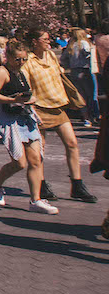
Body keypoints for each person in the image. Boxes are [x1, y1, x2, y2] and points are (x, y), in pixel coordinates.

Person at [21, 30, 98, 203]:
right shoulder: (27, 61)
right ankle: (41, 185)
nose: (49, 41)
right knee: (39, 151)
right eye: (45, 39)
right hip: (39, 108)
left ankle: (77, 185)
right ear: (35, 41)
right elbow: (25, 85)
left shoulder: (50, 55)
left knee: (72, 143)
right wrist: (30, 108)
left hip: (58, 106)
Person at [0, 40, 55, 214]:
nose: (21, 63)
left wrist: (27, 99)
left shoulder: (20, 71)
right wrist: (13, 100)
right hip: (10, 120)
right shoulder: (2, 72)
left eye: (24, 59)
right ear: (8, 57)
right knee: (19, 163)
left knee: (36, 160)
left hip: (26, 117)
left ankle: (36, 200)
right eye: (17, 59)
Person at [62, 28, 98, 126]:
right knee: (90, 95)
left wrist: (68, 65)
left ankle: (85, 117)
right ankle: (92, 116)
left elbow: (63, 59)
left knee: (80, 95)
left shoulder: (70, 45)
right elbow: (88, 54)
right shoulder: (83, 44)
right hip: (84, 70)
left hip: (74, 71)